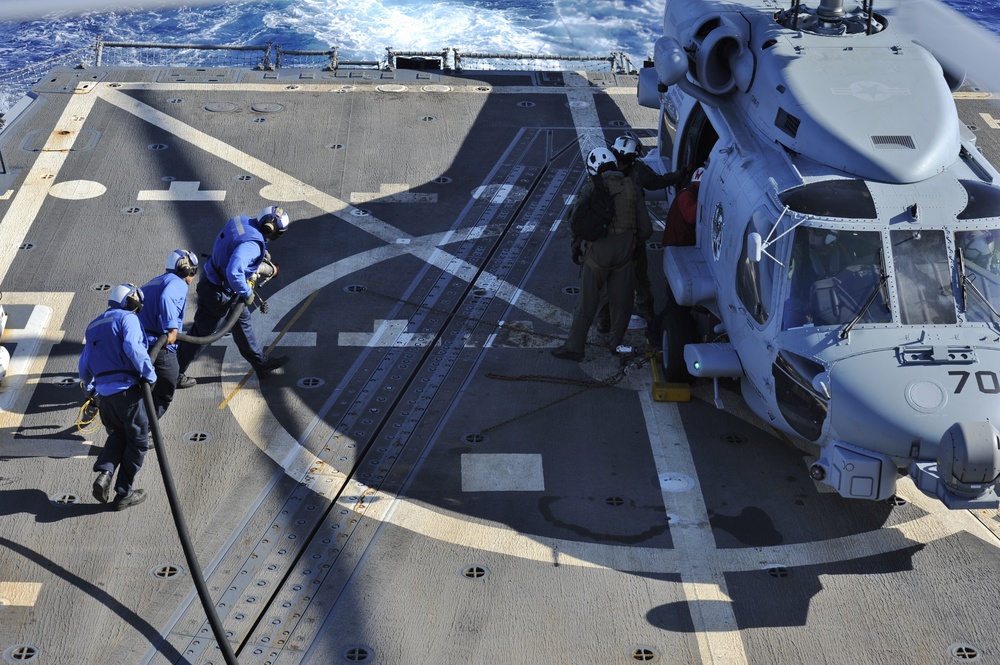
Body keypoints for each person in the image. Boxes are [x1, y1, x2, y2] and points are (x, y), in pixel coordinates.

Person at [176, 206, 290, 388]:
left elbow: (234, 244)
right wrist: (247, 292)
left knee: (243, 326)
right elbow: (235, 272)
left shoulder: (241, 220)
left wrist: (259, 256)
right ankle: (174, 374)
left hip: (223, 287)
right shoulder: (252, 245)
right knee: (200, 335)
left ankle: (260, 364)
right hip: (218, 293)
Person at [553, 147, 648, 360]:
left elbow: (574, 221)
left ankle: (575, 347)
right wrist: (632, 244)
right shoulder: (632, 188)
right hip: (625, 256)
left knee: (587, 302)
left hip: (597, 256)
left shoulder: (592, 187)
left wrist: (577, 244)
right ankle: (615, 344)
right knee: (622, 304)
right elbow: (646, 229)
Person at [597, 135, 691, 330]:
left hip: (609, 239)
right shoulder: (637, 171)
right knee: (640, 278)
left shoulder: (603, 169)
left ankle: (605, 320)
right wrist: (680, 175)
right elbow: (657, 182)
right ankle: (646, 314)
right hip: (632, 237)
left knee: (610, 279)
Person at [79, 283, 157, 511]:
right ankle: (124, 493)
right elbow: (133, 347)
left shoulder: (93, 325)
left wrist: (92, 390)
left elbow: (83, 364)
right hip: (127, 393)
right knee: (138, 441)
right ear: (132, 302)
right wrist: (149, 375)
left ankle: (105, 472)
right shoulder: (127, 319)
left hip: (105, 396)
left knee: (117, 435)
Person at [138, 249, 198, 417]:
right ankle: (142, 433)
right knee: (164, 393)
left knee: (140, 389)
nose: (193, 276)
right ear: (186, 270)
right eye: (193, 271)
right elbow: (167, 298)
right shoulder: (177, 283)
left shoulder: (153, 282)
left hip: (139, 344)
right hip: (160, 346)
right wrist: (172, 328)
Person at [663, 166, 703, 247]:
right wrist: (703, 200)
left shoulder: (689, 193)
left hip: (680, 241)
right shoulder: (687, 195)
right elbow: (691, 216)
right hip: (678, 243)